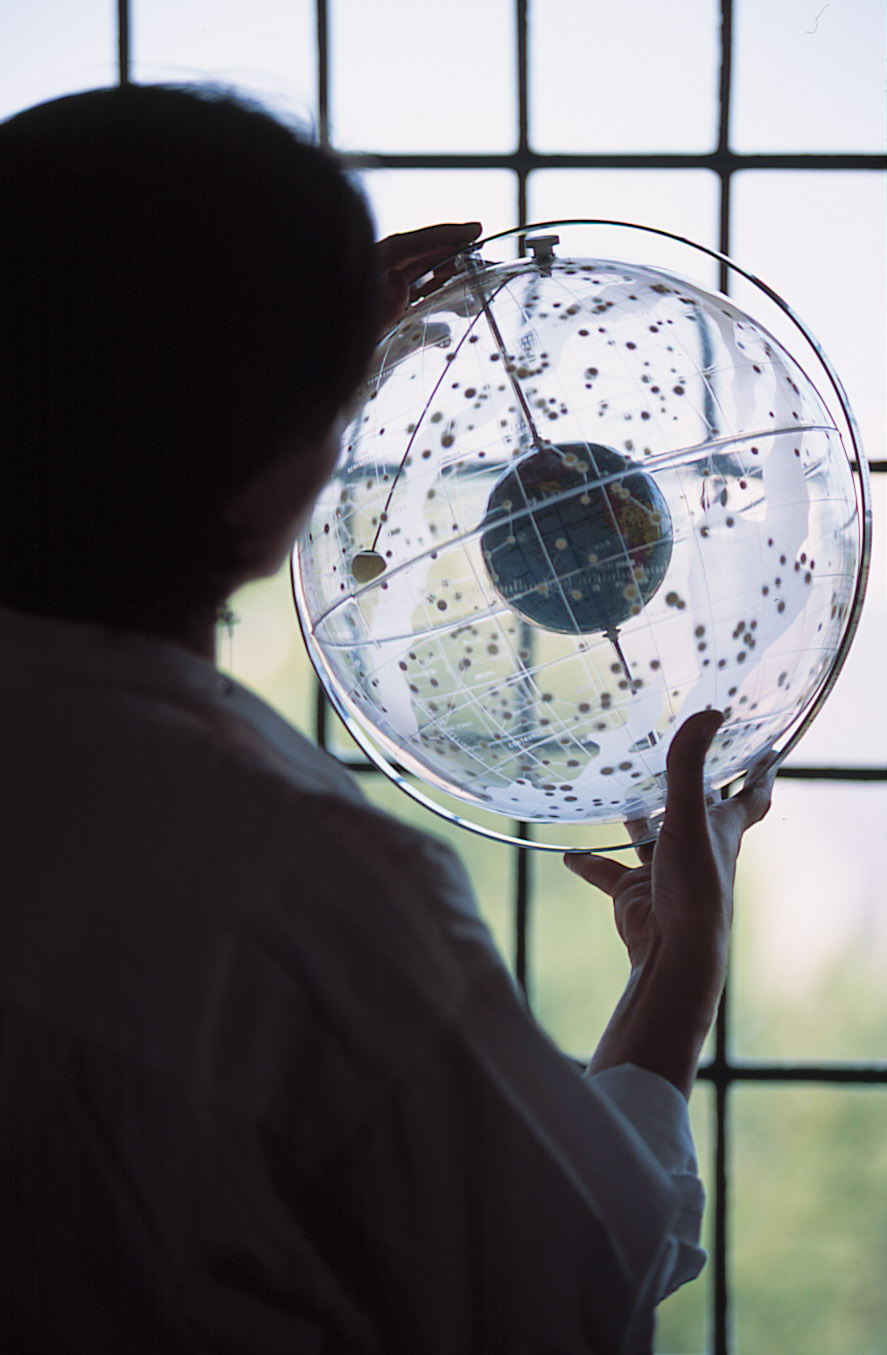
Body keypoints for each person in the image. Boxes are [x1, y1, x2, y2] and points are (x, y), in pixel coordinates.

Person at [0, 85, 774, 1354]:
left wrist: (248, 362)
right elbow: (569, 1288)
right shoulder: (303, 887)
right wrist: (675, 966)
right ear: (289, 468)